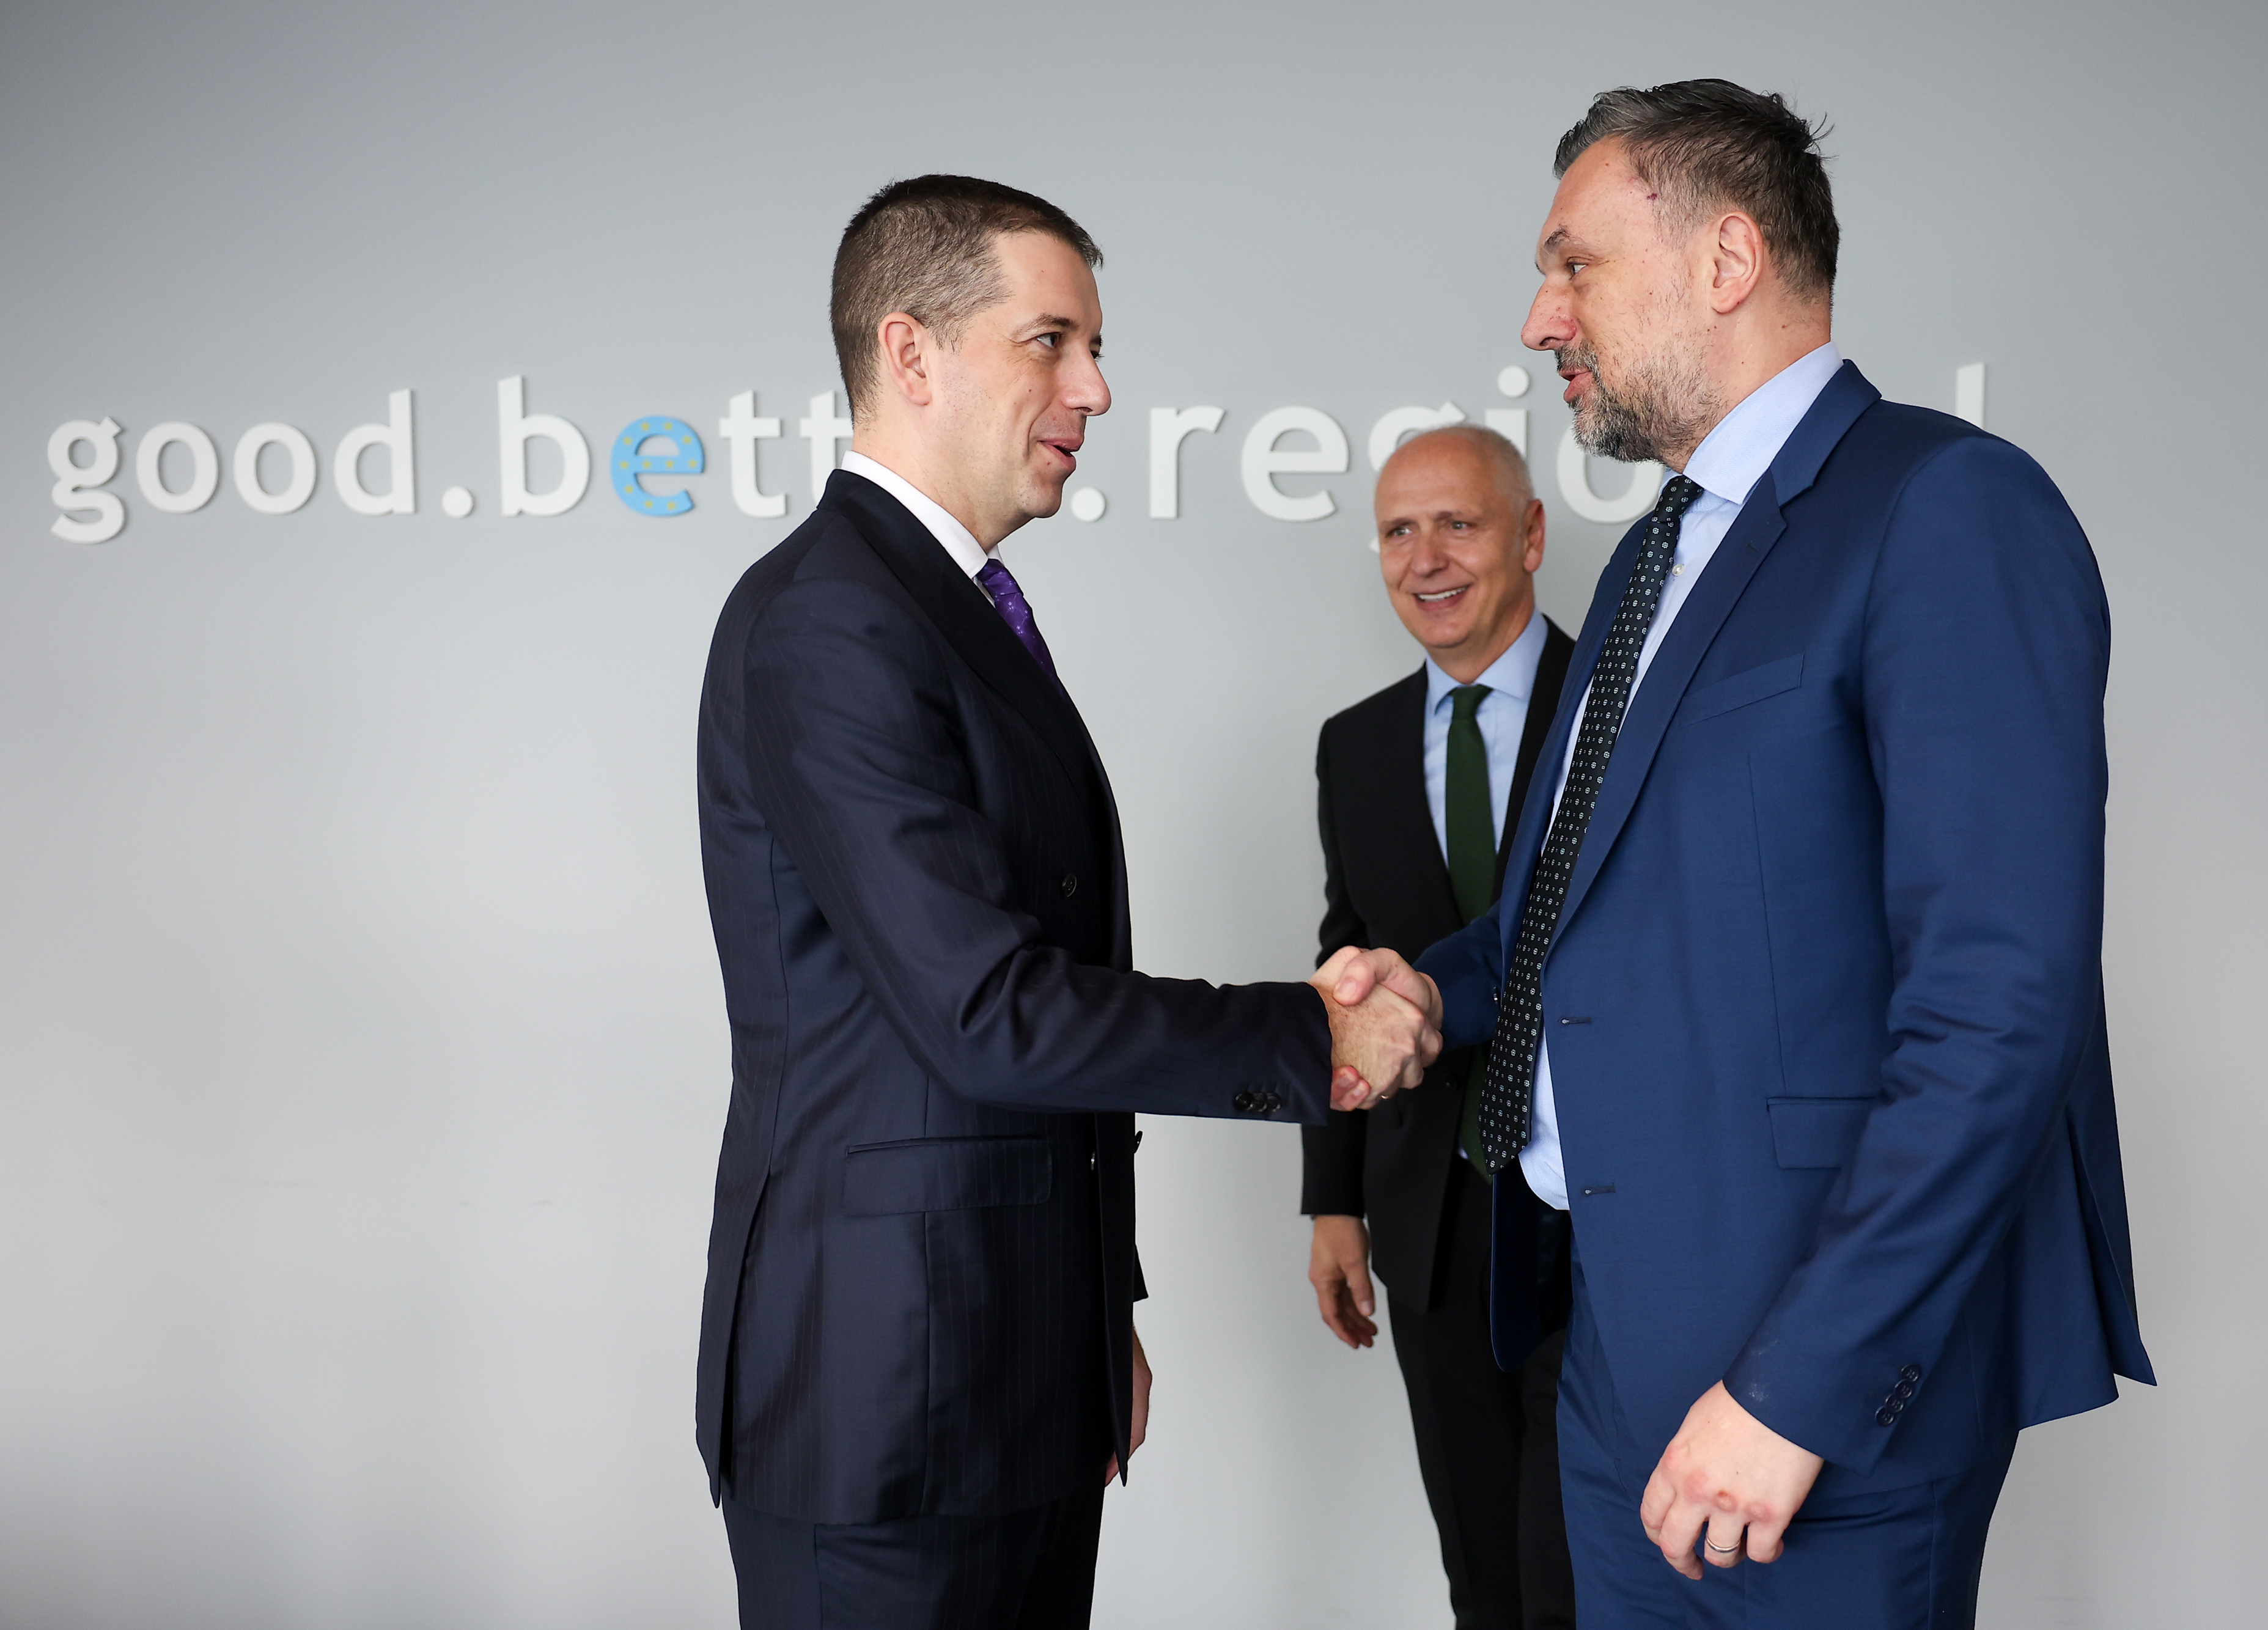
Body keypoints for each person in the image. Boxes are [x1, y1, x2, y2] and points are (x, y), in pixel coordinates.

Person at [1336, 82, 2153, 1627]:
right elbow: (1563, 907)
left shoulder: (1948, 505)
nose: (1538, 317)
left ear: (1724, 260)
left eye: (1572, 264)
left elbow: (1998, 1005)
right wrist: (1433, 992)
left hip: (1803, 1397)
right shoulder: (1648, 558)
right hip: (1605, 1365)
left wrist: (1795, 1387)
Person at [692, 174, 1440, 1630]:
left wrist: (1095, 1315)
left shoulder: (936, 606)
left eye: (1092, 348)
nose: (1094, 389)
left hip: (1004, 1364)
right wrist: (1313, 1035)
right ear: (911, 352)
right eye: (1052, 342)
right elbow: (987, 1007)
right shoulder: (833, 620)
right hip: (887, 1403)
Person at [1304, 424, 1578, 1630]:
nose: (1426, 558)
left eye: (1457, 523)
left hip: (1595, 1221)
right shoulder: (1354, 745)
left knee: (1586, 1575)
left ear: (1529, 534)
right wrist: (1332, 1199)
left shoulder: (1622, 709)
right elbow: (1344, 963)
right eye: (1397, 531)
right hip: (1431, 1216)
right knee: (1484, 1578)